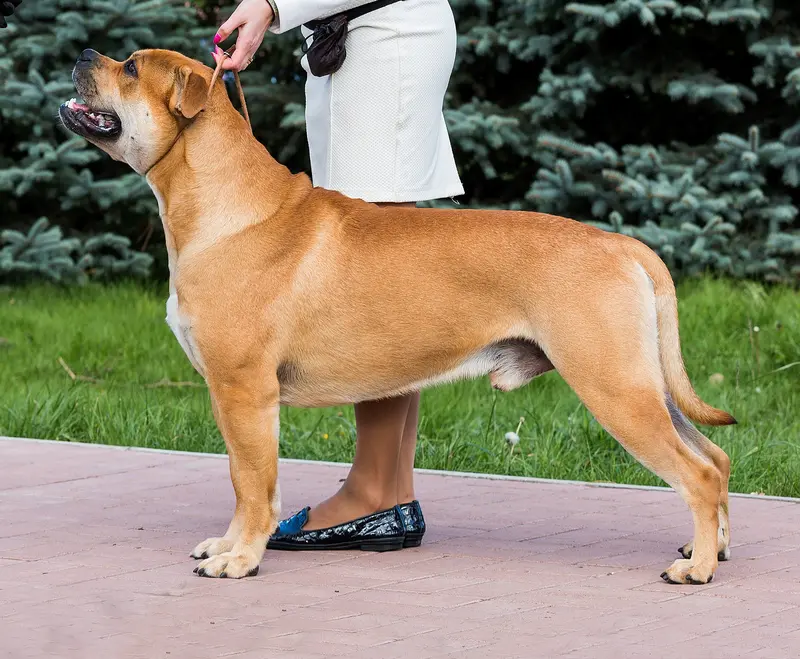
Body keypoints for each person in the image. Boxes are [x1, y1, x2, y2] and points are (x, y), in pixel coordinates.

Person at [212, 0, 463, 550]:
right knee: (385, 264)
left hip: (385, 36)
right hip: (357, 35)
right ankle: (393, 493)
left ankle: (371, 491)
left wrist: (273, 6)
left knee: (378, 271)